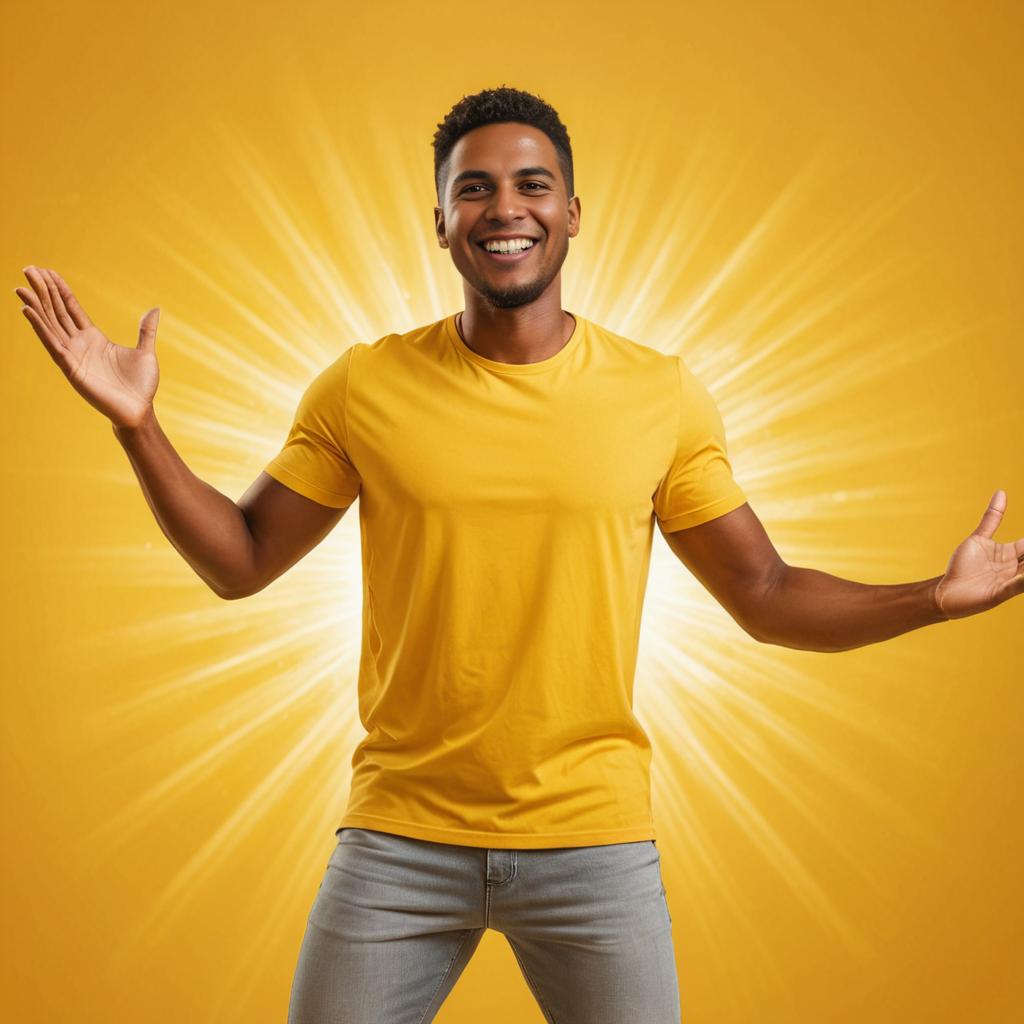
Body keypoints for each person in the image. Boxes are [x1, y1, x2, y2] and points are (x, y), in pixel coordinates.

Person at [15, 85, 1023, 1024]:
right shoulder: (363, 387)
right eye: (475, 188)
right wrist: (139, 427)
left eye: (532, 184)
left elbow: (763, 592)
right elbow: (238, 561)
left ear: (573, 212)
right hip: (399, 838)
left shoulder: (659, 394)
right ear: (442, 221)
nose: (507, 208)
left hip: (592, 841)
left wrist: (934, 597)